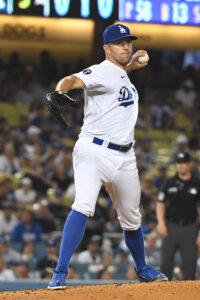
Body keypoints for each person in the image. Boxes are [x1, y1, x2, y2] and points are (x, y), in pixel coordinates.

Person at [47, 23, 168, 289]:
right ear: (106, 48)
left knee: (132, 217)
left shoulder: (119, 72)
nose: (126, 46)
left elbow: (119, 72)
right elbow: (73, 80)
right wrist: (59, 92)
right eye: (120, 43)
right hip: (94, 151)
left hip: (125, 156)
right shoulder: (100, 71)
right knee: (84, 205)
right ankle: (60, 272)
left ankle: (143, 268)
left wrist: (133, 64)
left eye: (129, 42)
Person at [156, 151, 200, 280]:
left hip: (190, 227)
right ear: (176, 164)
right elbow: (160, 203)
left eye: (184, 163)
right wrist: (161, 223)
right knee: (165, 263)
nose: (181, 166)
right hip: (171, 226)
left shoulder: (197, 183)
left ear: (189, 164)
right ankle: (164, 295)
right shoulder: (169, 182)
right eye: (178, 163)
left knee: (190, 265)